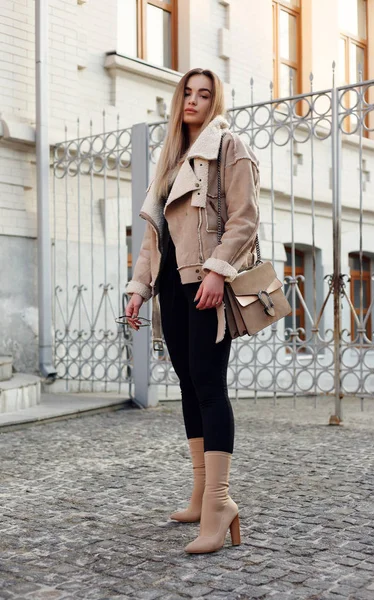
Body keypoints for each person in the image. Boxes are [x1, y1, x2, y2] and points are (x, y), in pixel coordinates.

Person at [125, 67, 260, 554]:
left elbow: (244, 220)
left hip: (204, 283)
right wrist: (139, 287)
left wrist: (218, 270)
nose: (194, 100)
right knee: (188, 385)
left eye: (204, 94)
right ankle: (201, 492)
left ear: (214, 101)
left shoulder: (229, 148)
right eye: (188, 92)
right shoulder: (169, 160)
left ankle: (220, 503)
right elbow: (153, 235)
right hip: (171, 286)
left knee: (209, 386)